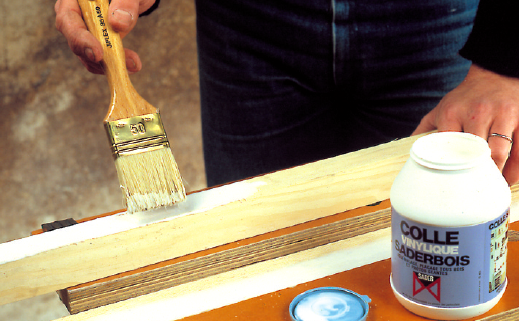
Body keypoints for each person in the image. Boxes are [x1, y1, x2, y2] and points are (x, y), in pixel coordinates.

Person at [54, 0, 519, 187]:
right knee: (253, 264)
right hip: (249, 21)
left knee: (438, 260)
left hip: (437, 20)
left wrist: (507, 61)